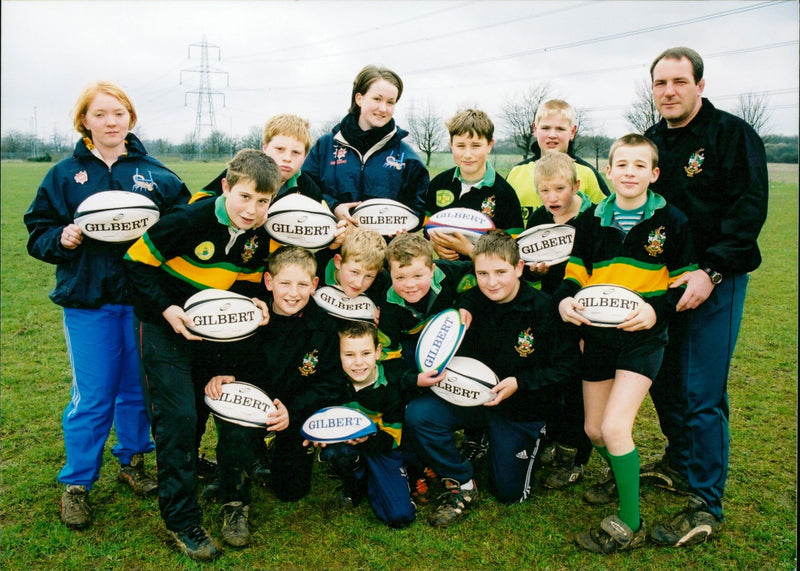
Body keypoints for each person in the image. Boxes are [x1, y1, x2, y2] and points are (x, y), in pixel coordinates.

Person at [23, 81, 190, 531]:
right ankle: (76, 483)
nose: (111, 121)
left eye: (119, 113)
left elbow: (185, 224)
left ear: (131, 118)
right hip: (88, 301)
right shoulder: (63, 175)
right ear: (85, 122)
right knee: (94, 396)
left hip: (142, 304)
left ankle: (132, 462)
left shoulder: (157, 174)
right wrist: (61, 237)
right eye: (100, 114)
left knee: (138, 389)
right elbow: (37, 231)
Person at [123, 148, 280, 561]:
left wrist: (260, 300)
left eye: (263, 201)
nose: (252, 209)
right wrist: (167, 308)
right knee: (178, 420)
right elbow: (136, 263)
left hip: (215, 335)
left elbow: (246, 283)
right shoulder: (189, 220)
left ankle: (219, 490)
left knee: (220, 409)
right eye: (245, 197)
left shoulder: (260, 236)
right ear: (226, 186)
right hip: (165, 328)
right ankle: (182, 519)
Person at [642, 47, 769, 547]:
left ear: (699, 84)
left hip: (716, 280)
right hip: (662, 283)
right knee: (662, 380)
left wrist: (710, 270)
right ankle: (678, 461)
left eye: (678, 81)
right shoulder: (651, 142)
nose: (668, 91)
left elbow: (750, 208)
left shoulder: (731, 134)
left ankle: (705, 503)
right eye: (660, 83)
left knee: (701, 391)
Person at [553, 134, 696, 553]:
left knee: (617, 426)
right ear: (609, 171)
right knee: (595, 429)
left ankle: (629, 522)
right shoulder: (592, 218)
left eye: (639, 165)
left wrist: (657, 311)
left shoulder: (672, 220)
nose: (629, 172)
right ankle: (622, 472)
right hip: (597, 336)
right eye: (622, 165)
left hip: (642, 336)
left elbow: (683, 281)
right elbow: (576, 272)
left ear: (653, 174)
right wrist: (563, 300)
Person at [404, 230, 580, 527]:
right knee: (420, 414)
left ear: (519, 268)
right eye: (482, 273)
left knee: (509, 493)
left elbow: (566, 367)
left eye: (501, 271)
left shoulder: (544, 308)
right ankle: (461, 480)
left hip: (519, 407)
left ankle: (509, 441)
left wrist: (520, 383)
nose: (492, 281)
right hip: (474, 400)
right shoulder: (467, 304)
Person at [203, 245, 348, 547]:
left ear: (315, 285)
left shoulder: (323, 326)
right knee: (236, 435)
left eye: (302, 284)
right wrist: (223, 372)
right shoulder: (250, 315)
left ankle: (261, 458)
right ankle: (235, 503)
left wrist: (293, 413)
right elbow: (225, 350)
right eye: (284, 283)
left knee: (291, 490)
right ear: (269, 282)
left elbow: (332, 384)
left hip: (292, 409)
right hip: (252, 404)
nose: (293, 293)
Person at [521, 152, 594, 491]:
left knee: (578, 383)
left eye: (559, 189)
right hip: (552, 311)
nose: (552, 198)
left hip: (584, 313)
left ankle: (575, 455)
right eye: (544, 190)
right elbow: (532, 263)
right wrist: (537, 271)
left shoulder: (593, 218)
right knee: (556, 379)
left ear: (576, 186)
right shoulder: (539, 217)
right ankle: (554, 440)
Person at [306, 321, 421, 528]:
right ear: (338, 354)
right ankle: (353, 482)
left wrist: (370, 437)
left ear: (378, 352)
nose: (358, 363)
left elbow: (394, 437)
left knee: (399, 517)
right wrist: (319, 435)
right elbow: (321, 414)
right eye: (349, 355)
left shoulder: (390, 385)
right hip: (348, 445)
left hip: (382, 445)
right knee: (335, 453)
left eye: (365, 353)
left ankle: (380, 478)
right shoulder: (334, 381)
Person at [303, 65, 429, 224]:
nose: (383, 108)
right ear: (359, 98)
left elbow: (419, 207)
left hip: (385, 247)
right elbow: (306, 189)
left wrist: (401, 224)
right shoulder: (325, 146)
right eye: (377, 99)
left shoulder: (407, 157)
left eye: (390, 102)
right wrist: (333, 207)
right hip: (335, 243)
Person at [425, 108, 523, 260]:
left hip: (486, 280)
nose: (468, 154)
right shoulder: (438, 184)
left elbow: (513, 251)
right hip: (445, 275)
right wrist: (433, 244)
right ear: (451, 144)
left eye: (476, 146)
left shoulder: (505, 193)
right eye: (460, 146)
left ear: (490, 145)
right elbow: (426, 229)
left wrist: (471, 251)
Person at [506, 99, 610, 228]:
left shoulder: (587, 174)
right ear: (535, 129)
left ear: (572, 132)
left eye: (560, 129)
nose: (552, 135)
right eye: (545, 128)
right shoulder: (516, 173)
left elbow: (607, 219)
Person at [378, 232, 475, 367]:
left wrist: (466, 304)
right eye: (400, 278)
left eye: (417, 275)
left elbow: (477, 271)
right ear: (390, 272)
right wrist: (414, 379)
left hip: (453, 332)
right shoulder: (389, 302)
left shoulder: (447, 271)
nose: (410, 285)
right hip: (414, 343)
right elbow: (388, 352)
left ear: (432, 270)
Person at [191, 113, 324, 205]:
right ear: (264, 148)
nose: (287, 158)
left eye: (296, 152)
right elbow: (197, 202)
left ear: (305, 156)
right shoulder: (242, 172)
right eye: (280, 149)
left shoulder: (307, 187)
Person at [315, 225, 390, 305]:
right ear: (338, 262)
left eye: (368, 276)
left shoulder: (383, 284)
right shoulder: (315, 269)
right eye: (354, 272)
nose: (359, 284)